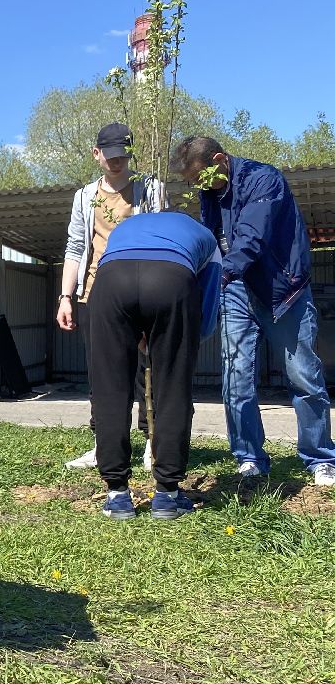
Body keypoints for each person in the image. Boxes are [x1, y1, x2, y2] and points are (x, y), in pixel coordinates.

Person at [173, 136, 335, 488]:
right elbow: (213, 239)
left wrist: (221, 274)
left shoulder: (265, 179)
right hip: (237, 290)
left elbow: (251, 238)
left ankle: (320, 457)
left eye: (199, 177)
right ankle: (249, 457)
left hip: (283, 292)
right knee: (236, 377)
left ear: (220, 160)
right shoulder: (210, 190)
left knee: (303, 376)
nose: (196, 185)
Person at [88, 212, 221, 520]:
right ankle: (168, 496)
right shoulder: (207, 239)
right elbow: (208, 305)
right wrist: (177, 346)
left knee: (111, 388)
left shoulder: (126, 227)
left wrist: (141, 331)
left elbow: (124, 272)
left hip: (111, 280)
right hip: (171, 279)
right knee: (172, 388)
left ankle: (117, 495)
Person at [58, 121, 167, 471]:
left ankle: (153, 443)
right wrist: (66, 296)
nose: (116, 162)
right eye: (110, 156)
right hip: (95, 295)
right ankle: (103, 445)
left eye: (123, 155)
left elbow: (162, 238)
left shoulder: (150, 188)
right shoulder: (85, 197)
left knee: (146, 371)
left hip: (143, 293)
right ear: (96, 154)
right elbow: (76, 247)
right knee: (103, 374)